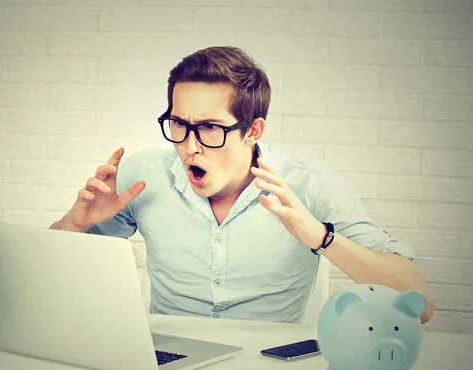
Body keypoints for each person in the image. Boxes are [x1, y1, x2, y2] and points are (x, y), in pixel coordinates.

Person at [49, 46, 435, 324]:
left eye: (211, 128)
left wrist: (320, 236)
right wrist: (74, 225)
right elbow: (51, 278)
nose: (189, 145)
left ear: (253, 130)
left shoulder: (309, 183)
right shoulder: (142, 175)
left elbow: (419, 303)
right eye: (179, 124)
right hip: (167, 356)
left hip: (272, 365)